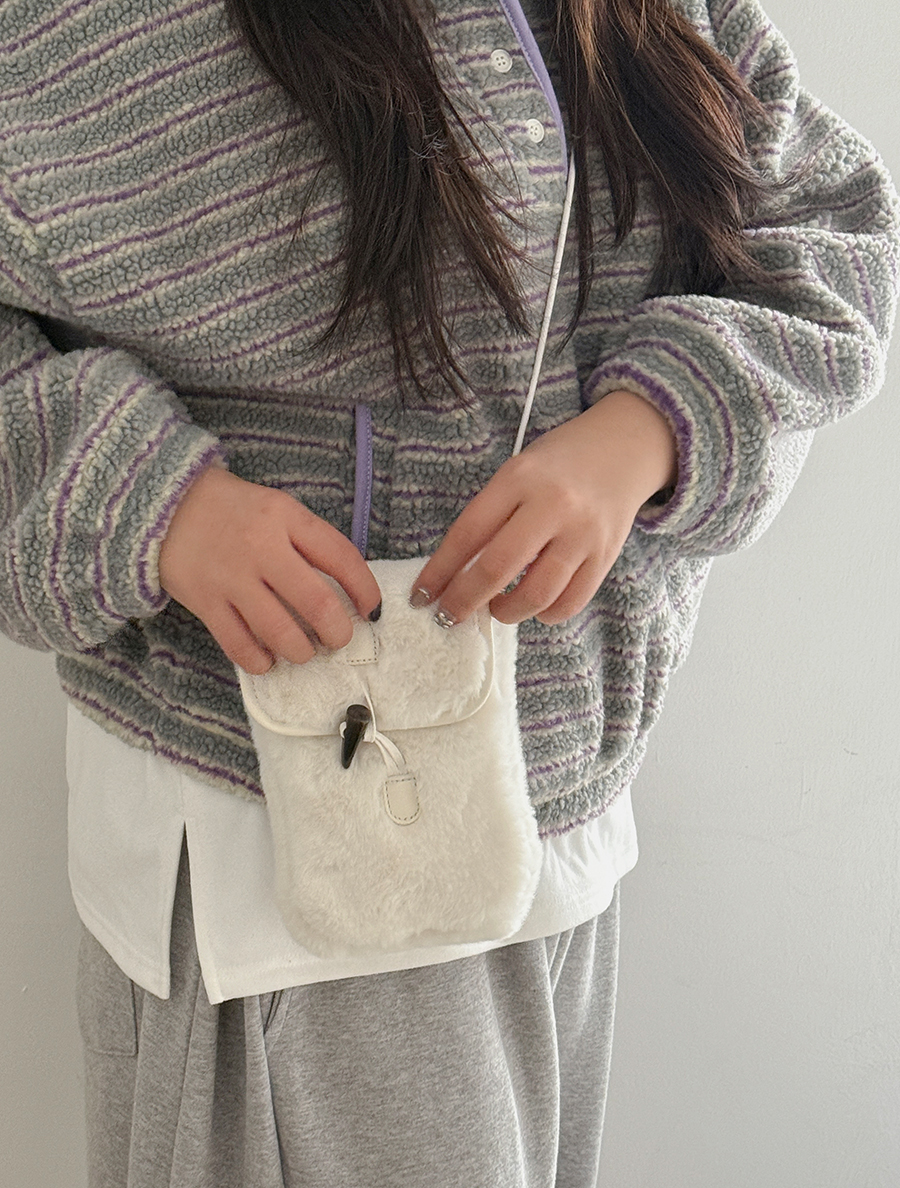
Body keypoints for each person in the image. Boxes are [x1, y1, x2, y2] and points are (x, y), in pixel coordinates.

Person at [0, 0, 897, 1185]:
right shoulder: (83, 36)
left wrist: (650, 428)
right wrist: (148, 500)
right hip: (278, 872)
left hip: (560, 822)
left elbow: (831, 228)